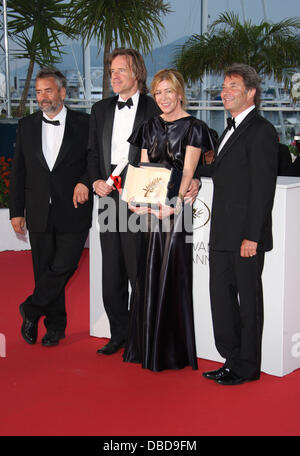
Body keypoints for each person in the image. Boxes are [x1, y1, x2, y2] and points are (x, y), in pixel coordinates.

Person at [123, 69, 215, 371]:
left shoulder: (195, 127)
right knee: (147, 273)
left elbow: (188, 171)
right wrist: (141, 202)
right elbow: (146, 169)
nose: (163, 98)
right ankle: (146, 346)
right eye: (158, 92)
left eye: (168, 92)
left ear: (179, 92)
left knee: (171, 276)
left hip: (175, 214)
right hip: (152, 212)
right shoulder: (148, 126)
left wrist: (172, 207)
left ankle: (169, 352)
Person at [203, 64, 278, 385]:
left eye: (233, 86)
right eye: (223, 86)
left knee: (248, 304)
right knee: (221, 301)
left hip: (246, 238)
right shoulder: (227, 130)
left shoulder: (261, 130)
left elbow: (263, 189)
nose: (225, 91)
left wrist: (252, 236)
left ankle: (247, 367)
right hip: (220, 234)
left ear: (250, 93)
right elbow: (223, 175)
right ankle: (231, 360)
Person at [9, 68, 92, 347]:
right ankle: (54, 327)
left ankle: (31, 309)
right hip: (38, 210)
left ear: (62, 92)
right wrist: (16, 211)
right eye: (38, 91)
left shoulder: (85, 124)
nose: (42, 97)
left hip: (74, 209)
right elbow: (18, 171)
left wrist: (85, 182)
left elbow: (94, 162)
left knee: (64, 266)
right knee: (44, 269)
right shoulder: (27, 125)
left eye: (48, 90)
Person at [87, 48, 161, 355]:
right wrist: (94, 181)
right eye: (111, 71)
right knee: (112, 269)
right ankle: (118, 333)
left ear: (137, 74)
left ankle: (140, 336)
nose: (114, 77)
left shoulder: (154, 108)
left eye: (120, 71)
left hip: (137, 200)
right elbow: (92, 153)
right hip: (108, 199)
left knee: (138, 269)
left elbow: (161, 157)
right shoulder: (100, 109)